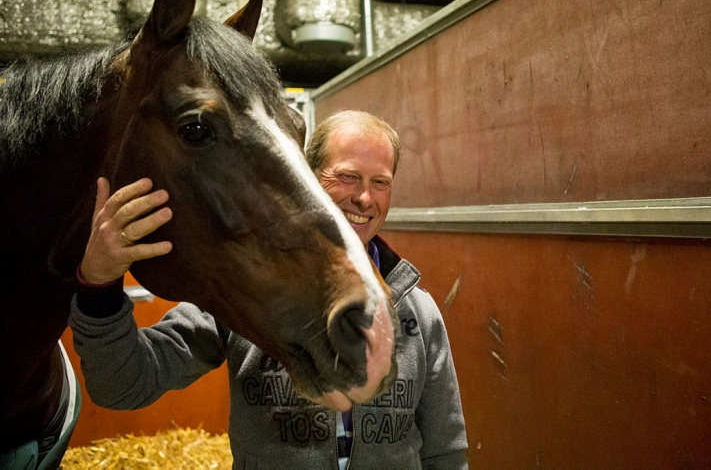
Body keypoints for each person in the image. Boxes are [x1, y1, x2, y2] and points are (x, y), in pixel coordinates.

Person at [69, 110, 468, 469]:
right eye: (347, 176)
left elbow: (445, 451)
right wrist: (99, 284)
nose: (364, 197)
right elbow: (122, 384)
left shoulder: (418, 311)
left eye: (380, 182)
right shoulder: (246, 291)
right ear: (306, 180)